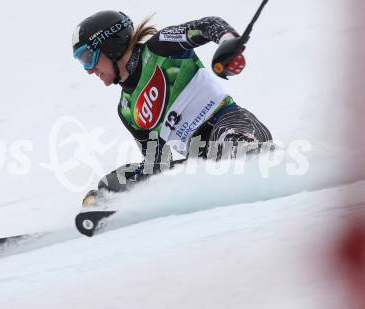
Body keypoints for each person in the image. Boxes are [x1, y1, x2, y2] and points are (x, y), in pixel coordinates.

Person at [72, 10, 272, 199]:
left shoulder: (160, 47)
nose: (89, 71)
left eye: (88, 58)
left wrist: (228, 43)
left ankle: (255, 158)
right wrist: (131, 185)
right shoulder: (126, 109)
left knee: (228, 145)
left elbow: (207, 25)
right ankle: (115, 206)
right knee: (111, 183)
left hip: (231, 123)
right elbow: (158, 162)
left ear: (110, 46)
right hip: (200, 159)